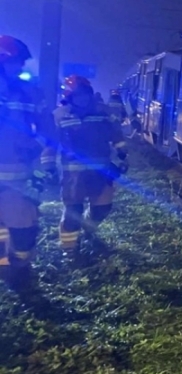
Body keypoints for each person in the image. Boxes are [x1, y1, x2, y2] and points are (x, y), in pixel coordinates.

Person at [41, 75, 127, 254]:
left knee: (102, 208)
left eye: (85, 95)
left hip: (101, 173)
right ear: (69, 97)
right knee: (73, 212)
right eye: (77, 96)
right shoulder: (60, 117)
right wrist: (48, 167)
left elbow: (116, 135)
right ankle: (70, 250)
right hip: (73, 176)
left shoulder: (102, 114)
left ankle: (88, 228)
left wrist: (122, 155)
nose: (82, 99)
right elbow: (50, 144)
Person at [0, 35, 50, 284]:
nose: (20, 67)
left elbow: (47, 128)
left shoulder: (30, 92)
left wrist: (36, 147)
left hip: (19, 177)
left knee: (25, 232)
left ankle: (18, 269)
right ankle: (9, 273)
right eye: (16, 62)